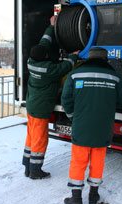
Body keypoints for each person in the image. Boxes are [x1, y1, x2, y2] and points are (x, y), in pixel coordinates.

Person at [61, 47, 122, 204]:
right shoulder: (114, 77)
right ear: (105, 60)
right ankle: (93, 196)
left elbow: (65, 99)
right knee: (97, 162)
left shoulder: (75, 74)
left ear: (89, 58)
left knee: (78, 162)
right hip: (103, 129)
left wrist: (73, 116)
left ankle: (76, 199)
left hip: (81, 127)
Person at [22, 16, 79, 180]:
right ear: (44, 57)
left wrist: (51, 27)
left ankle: (27, 165)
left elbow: (44, 43)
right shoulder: (48, 70)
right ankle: (35, 170)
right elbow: (65, 66)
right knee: (40, 140)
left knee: (31, 137)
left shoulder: (31, 60)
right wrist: (74, 56)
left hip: (32, 107)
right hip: (40, 110)